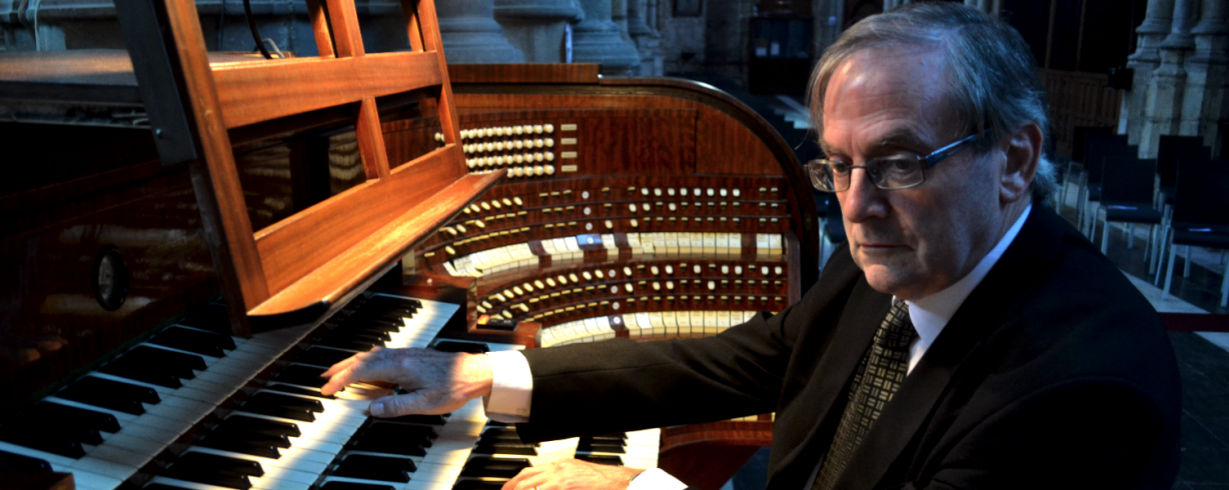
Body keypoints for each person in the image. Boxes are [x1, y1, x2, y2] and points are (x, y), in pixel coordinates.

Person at [321, 3, 1181, 489]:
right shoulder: (907, 256)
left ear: (1014, 159)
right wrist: (484, 376)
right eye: (837, 166)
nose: (857, 206)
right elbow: (756, 358)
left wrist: (636, 488)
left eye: (898, 163)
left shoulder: (1084, 390)